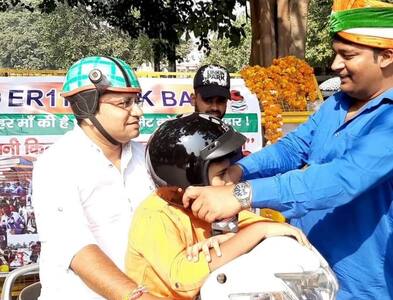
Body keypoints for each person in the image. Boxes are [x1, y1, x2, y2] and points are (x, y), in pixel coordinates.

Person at [181, 1, 393, 299]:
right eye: (335, 53)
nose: (334, 65)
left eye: (348, 55)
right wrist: (238, 171)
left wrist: (241, 194)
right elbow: (292, 149)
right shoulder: (336, 103)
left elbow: (340, 180)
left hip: (360, 287)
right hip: (303, 269)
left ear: (386, 57)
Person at [125, 113, 309, 299]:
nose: (230, 183)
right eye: (222, 175)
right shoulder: (154, 215)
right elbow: (183, 278)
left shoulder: (214, 207)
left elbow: (255, 225)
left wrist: (231, 236)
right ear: (190, 178)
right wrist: (257, 232)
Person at [32, 56, 165, 300]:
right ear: (86, 106)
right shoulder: (56, 165)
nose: (138, 111)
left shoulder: (146, 157)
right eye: (124, 103)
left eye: (136, 101)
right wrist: (137, 297)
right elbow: (76, 248)